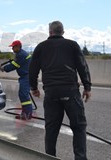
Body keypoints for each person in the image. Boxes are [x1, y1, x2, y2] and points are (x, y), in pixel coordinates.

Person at [29, 20, 91, 159]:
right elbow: (82, 66)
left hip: (51, 93)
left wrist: (34, 88)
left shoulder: (41, 47)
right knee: (79, 127)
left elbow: (32, 70)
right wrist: (87, 87)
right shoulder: (72, 45)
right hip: (70, 91)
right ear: (62, 32)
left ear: (50, 32)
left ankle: (50, 157)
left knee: (51, 129)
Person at [0, 40, 33, 120]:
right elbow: (15, 63)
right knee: (23, 94)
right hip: (26, 76)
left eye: (13, 47)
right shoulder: (21, 54)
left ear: (18, 47)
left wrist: (4, 68)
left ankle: (27, 114)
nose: (12, 49)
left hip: (26, 77)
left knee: (23, 95)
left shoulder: (21, 55)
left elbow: (13, 66)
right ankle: (25, 113)